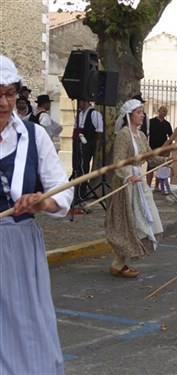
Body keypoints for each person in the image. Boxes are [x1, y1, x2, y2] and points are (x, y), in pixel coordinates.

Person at [0, 55, 73, 375]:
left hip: (18, 249)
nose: (4, 102)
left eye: (10, 93)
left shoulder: (34, 136)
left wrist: (42, 203)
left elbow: (63, 191)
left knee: (27, 329)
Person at [106, 99, 168, 278]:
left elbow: (149, 156)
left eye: (143, 112)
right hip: (126, 184)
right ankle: (118, 263)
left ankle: (118, 263)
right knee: (128, 223)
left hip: (139, 182)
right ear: (129, 115)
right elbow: (118, 162)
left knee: (148, 221)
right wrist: (127, 176)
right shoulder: (124, 135)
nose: (142, 115)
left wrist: (166, 161)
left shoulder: (140, 136)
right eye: (139, 112)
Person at [72, 99, 104, 200]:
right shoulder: (80, 114)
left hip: (87, 143)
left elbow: (99, 131)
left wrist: (91, 143)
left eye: (80, 102)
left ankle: (81, 192)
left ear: (85, 102)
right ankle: (76, 191)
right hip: (77, 143)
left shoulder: (94, 114)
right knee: (76, 166)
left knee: (83, 167)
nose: (79, 104)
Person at [147, 105, 173, 189]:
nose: (164, 113)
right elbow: (146, 135)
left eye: (166, 111)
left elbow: (171, 137)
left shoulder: (167, 124)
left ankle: (157, 187)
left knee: (160, 169)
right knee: (150, 167)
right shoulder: (151, 122)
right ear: (158, 111)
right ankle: (148, 186)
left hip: (163, 150)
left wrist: (168, 149)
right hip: (152, 148)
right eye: (163, 111)